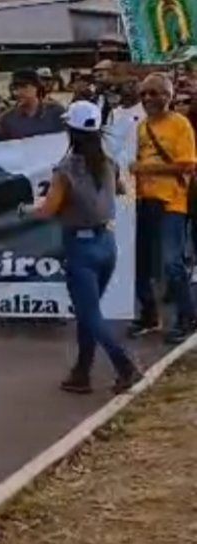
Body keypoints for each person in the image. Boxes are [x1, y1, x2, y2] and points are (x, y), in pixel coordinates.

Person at [20, 101, 141, 393]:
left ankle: (124, 364)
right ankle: (81, 372)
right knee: (91, 312)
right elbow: (122, 190)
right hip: (106, 243)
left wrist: (25, 210)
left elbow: (48, 210)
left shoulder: (66, 168)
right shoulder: (108, 162)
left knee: (89, 315)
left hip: (81, 247)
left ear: (70, 131)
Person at [129, 73, 197, 344]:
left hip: (172, 202)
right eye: (144, 94)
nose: (148, 99)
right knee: (142, 264)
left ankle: (186, 318)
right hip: (144, 200)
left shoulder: (180, 124)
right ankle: (148, 316)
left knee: (172, 263)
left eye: (154, 93)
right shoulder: (141, 127)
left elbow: (188, 165)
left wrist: (145, 168)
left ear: (169, 96)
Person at [0, 69, 66, 142]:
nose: (17, 93)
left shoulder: (56, 112)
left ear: (36, 88)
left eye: (24, 87)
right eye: (15, 88)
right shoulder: (7, 119)